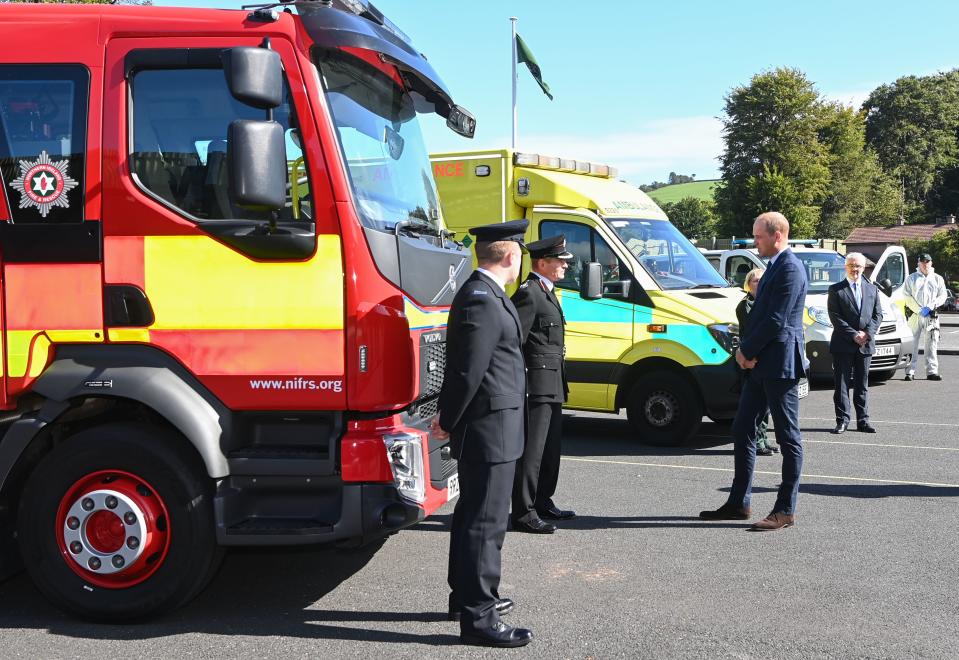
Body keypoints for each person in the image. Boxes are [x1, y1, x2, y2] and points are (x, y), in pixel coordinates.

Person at [430, 219, 534, 648]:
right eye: (520, 254)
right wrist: (448, 418)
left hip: (495, 426)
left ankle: (469, 597)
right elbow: (467, 371)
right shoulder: (482, 299)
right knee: (485, 523)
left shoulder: (487, 294)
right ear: (511, 255)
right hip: (490, 429)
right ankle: (479, 618)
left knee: (474, 517)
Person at [699, 212, 808, 531]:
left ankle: (785, 509)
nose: (754, 241)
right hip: (761, 364)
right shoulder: (774, 266)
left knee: (788, 437)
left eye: (758, 236)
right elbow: (758, 316)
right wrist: (746, 352)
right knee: (743, 428)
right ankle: (739, 502)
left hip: (779, 364)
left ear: (777, 235)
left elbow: (776, 319)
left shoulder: (790, 268)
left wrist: (746, 352)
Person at [510, 234, 576, 534]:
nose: (565, 265)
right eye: (560, 260)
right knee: (531, 453)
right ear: (542, 262)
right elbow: (513, 341)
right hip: (535, 384)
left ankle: (542, 500)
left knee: (550, 449)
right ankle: (523, 512)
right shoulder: (529, 293)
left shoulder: (547, 290)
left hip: (552, 383)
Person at [826, 252, 883, 434]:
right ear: (846, 267)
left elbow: (878, 315)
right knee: (841, 385)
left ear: (864, 267)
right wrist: (853, 334)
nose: (855, 269)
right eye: (851, 265)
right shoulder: (836, 289)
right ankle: (842, 420)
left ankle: (863, 421)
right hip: (843, 344)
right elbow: (835, 316)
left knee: (862, 385)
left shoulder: (872, 289)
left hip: (865, 345)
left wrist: (866, 334)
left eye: (858, 266)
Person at [734, 268, 776, 456]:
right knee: (755, 407)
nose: (759, 284)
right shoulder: (745, 305)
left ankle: (763, 438)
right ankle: (756, 442)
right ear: (748, 284)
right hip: (751, 359)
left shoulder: (765, 302)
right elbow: (753, 330)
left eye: (762, 280)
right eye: (755, 281)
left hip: (764, 359)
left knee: (765, 405)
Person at [903, 253, 947, 382]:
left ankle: (932, 372)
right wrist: (918, 309)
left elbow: (942, 296)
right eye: (923, 262)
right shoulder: (911, 278)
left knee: (932, 344)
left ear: (931, 263)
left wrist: (931, 306)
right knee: (912, 344)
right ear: (918, 263)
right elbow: (906, 296)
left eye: (927, 262)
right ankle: (909, 372)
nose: (925, 264)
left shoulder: (938, 278)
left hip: (931, 315)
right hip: (915, 315)